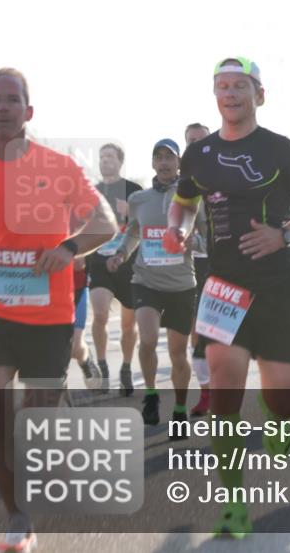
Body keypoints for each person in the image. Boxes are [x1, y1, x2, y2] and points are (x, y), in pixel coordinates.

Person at [163, 57, 290, 538]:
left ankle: (279, 421)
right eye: (222, 86)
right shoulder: (199, 154)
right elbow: (184, 204)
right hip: (223, 285)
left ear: (259, 94)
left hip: (276, 283)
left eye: (240, 86)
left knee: (283, 397)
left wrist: (284, 236)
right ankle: (233, 503)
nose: (230, 94)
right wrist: (177, 230)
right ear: (215, 95)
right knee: (224, 390)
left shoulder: (282, 150)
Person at [0, 68, 118, 553]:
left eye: (12, 100)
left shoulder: (59, 167)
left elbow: (106, 223)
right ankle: (17, 517)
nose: (2, 107)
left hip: (48, 316)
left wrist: (70, 247)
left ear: (27, 112)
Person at [107, 138, 204, 438]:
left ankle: (178, 410)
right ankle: (150, 395)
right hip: (145, 280)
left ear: (178, 163)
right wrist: (122, 253)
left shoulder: (193, 197)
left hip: (181, 284)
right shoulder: (139, 199)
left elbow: (206, 237)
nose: (163, 162)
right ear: (152, 163)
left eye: (169, 158)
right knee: (147, 340)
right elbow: (134, 231)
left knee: (178, 353)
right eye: (158, 157)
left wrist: (193, 242)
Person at [87, 142, 141, 395]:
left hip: (129, 265)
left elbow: (148, 223)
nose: (105, 160)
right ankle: (102, 365)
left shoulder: (134, 191)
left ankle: (126, 368)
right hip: (98, 261)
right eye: (102, 156)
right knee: (99, 315)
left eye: (110, 156)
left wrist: (129, 211)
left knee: (129, 326)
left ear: (120, 161)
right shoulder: (90, 192)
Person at [182, 122, 213, 417]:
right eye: (190, 141)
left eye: (200, 140)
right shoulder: (182, 180)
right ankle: (207, 391)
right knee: (197, 330)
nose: (195, 145)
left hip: (227, 264)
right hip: (191, 265)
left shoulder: (229, 174)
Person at [70, 255, 102, 386]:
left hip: (76, 289)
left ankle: (85, 360)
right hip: (45, 291)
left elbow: (79, 264)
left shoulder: (74, 233)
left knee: (76, 348)